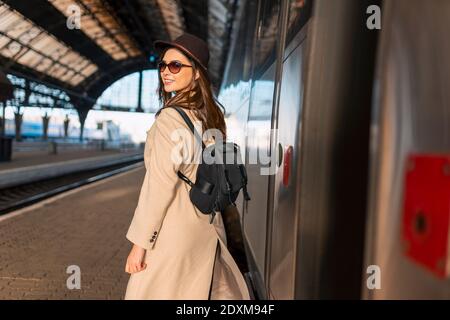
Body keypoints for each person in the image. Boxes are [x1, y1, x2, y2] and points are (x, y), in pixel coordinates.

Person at [124, 33, 251, 300]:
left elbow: (159, 186)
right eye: (162, 64)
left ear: (196, 74)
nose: (166, 72)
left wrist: (139, 244)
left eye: (176, 65)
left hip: (173, 236)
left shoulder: (170, 118)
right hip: (207, 229)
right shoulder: (210, 116)